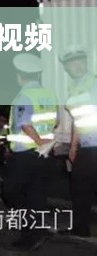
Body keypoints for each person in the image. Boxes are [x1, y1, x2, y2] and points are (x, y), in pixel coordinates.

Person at [0, 53, 59, 251]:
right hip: (44, 154)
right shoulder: (50, 95)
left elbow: (25, 124)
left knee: (10, 192)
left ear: (19, 76)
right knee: (36, 194)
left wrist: (38, 141)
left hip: (26, 154)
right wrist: (45, 142)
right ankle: (34, 234)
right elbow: (56, 121)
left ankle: (31, 228)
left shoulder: (23, 96)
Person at [60, 44, 97, 237]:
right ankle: (80, 229)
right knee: (80, 187)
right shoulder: (75, 89)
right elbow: (78, 120)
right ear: (66, 67)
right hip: (87, 147)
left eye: (81, 61)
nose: (78, 65)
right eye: (73, 63)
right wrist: (74, 146)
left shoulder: (94, 84)